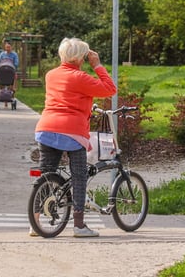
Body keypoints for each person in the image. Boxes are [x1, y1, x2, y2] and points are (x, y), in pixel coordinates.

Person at [33, 37, 116, 238]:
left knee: (45, 174)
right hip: (71, 132)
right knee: (79, 176)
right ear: (80, 58)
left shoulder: (50, 75)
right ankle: (79, 226)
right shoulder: (81, 78)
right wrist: (97, 65)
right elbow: (110, 89)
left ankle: (34, 223)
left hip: (45, 128)